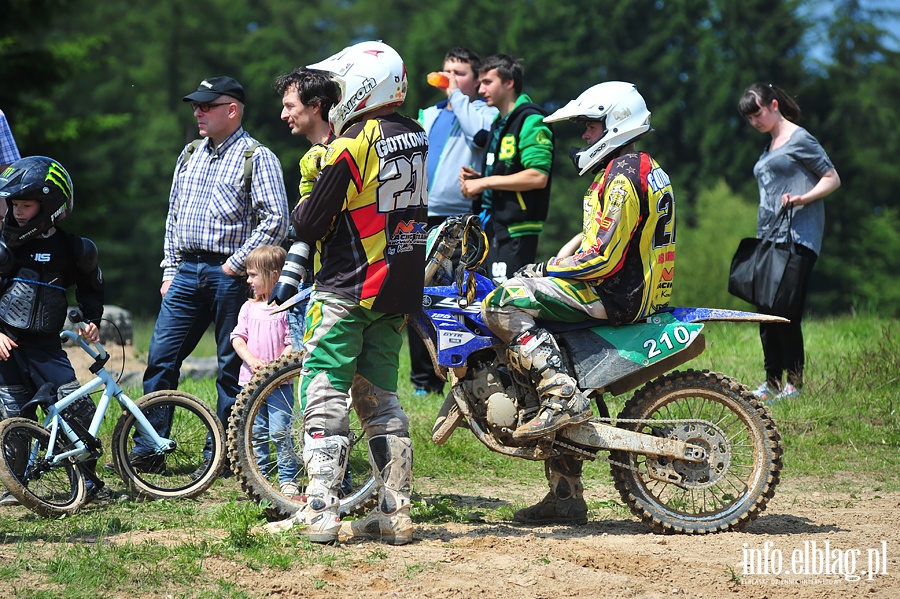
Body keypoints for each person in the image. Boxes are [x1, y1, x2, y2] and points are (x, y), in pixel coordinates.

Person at [481, 82, 676, 524]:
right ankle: (565, 498)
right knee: (543, 351)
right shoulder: (636, 166)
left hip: (614, 292)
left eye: (591, 125)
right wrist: (555, 261)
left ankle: (561, 396)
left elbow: (603, 256)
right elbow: (597, 238)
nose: (585, 135)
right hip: (629, 288)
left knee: (499, 303)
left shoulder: (623, 174)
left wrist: (546, 271)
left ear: (615, 122)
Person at [263, 40, 427, 546]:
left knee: (324, 392)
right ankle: (394, 511)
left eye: (340, 86)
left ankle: (321, 510)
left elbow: (310, 220)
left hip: (349, 285)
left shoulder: (352, 143)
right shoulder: (416, 135)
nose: (334, 97)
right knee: (381, 400)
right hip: (399, 285)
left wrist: (312, 180)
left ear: (362, 85)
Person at [135, 76, 289, 469]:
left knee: (231, 366)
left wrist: (234, 264)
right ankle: (150, 446)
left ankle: (222, 453)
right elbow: (173, 217)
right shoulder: (189, 154)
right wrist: (170, 270)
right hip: (185, 271)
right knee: (161, 359)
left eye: (206, 105)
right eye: (195, 106)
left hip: (232, 276)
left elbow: (276, 220)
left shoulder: (258, 156)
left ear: (232, 110)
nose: (197, 112)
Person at [0, 156, 106, 505]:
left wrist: (92, 318)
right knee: (13, 417)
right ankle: (16, 484)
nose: (16, 211)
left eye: (25, 205)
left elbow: (91, 284)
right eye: (13, 204)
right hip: (8, 346)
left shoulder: (72, 248)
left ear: (50, 206)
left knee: (78, 412)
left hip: (47, 347)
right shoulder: (5, 246)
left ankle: (87, 481)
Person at [737, 83, 840, 403]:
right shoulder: (770, 146)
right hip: (770, 237)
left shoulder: (800, 139)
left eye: (758, 113)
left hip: (797, 237)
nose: (755, 121)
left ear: (774, 105)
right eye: (749, 118)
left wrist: (802, 199)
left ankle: (794, 385)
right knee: (765, 312)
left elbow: (832, 178)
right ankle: (772, 383)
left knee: (785, 310)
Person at [408, 47, 498, 396]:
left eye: (460, 73)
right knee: (419, 294)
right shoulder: (428, 113)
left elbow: (481, 136)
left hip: (459, 217)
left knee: (458, 297)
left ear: (476, 80)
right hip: (421, 214)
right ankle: (423, 380)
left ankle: (464, 372)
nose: (450, 78)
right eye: (447, 71)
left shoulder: (479, 111)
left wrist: (458, 96)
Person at [459, 53, 554, 284]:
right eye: (480, 83)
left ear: (509, 82)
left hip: (517, 229)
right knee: (485, 299)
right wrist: (480, 180)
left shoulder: (531, 120)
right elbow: (509, 173)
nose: (481, 90)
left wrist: (484, 183)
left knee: (506, 301)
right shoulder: (499, 123)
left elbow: (538, 176)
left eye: (487, 82)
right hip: (493, 226)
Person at [268, 67, 341, 349]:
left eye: (290, 106)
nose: (283, 115)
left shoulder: (337, 154)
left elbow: (309, 225)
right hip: (312, 277)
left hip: (334, 285)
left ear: (315, 106)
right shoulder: (315, 155)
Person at [230, 245, 298, 497]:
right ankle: (261, 476)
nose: (248, 280)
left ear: (274, 275)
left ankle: (288, 478)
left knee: (281, 432)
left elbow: (293, 342)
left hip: (279, 384)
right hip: (251, 382)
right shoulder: (248, 308)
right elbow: (238, 338)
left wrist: (276, 367)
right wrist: (251, 359)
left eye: (252, 275)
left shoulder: (286, 308)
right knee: (256, 432)